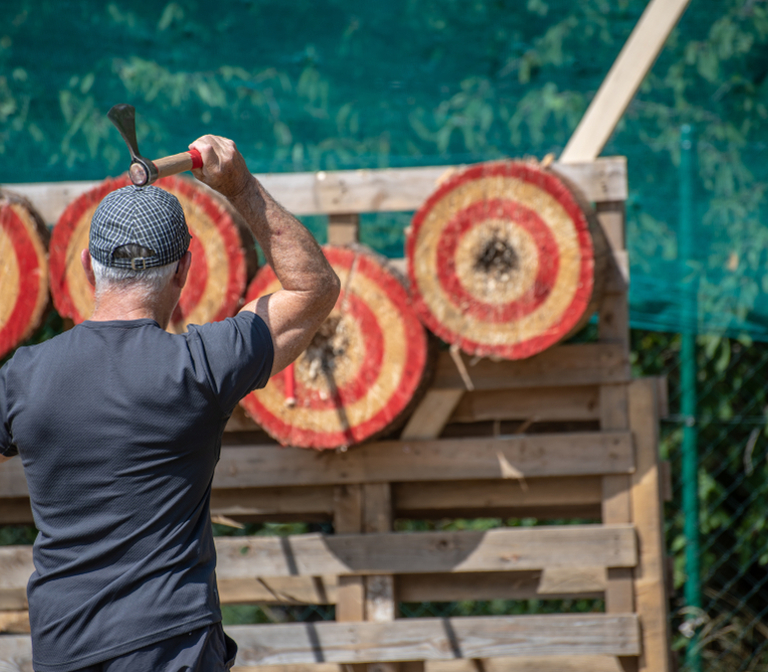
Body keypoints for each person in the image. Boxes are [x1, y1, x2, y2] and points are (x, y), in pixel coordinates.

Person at [0, 136, 340, 672]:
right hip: (170, 648)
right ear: (183, 271)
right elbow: (314, 289)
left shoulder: (23, 377)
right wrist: (241, 187)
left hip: (62, 649)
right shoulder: (201, 366)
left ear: (89, 266)